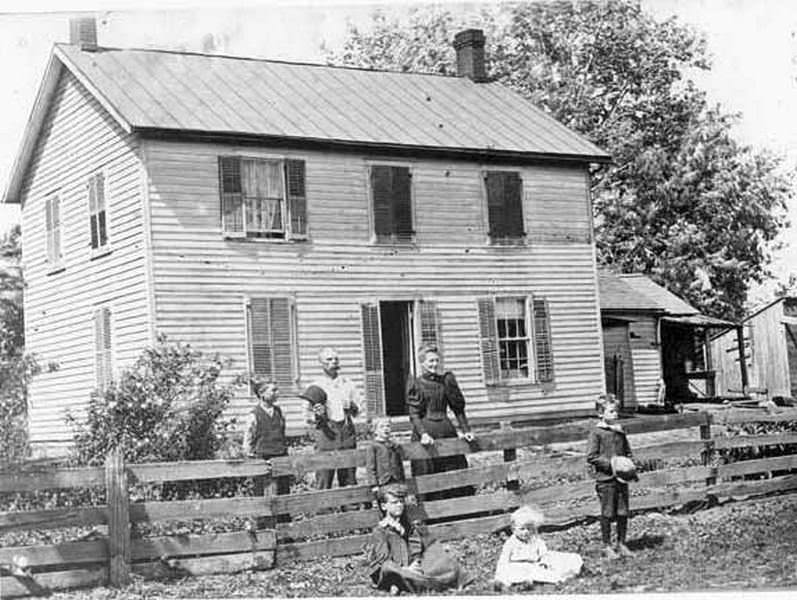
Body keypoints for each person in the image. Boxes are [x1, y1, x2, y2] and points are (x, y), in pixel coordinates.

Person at [363, 483, 471, 595]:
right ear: (384, 506)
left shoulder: (407, 525)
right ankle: (420, 582)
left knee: (442, 559)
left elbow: (417, 547)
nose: (399, 505)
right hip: (394, 570)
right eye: (394, 502)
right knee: (388, 568)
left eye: (401, 502)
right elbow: (382, 560)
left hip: (412, 566)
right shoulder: (380, 531)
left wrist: (416, 561)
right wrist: (404, 569)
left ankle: (404, 583)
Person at [407, 344, 474, 500]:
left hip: (446, 431)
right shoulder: (416, 384)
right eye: (430, 361)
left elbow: (458, 409)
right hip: (426, 433)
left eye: (437, 361)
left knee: (453, 471)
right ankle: (431, 517)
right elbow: (414, 414)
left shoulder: (446, 381)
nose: (434, 364)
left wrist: (466, 430)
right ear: (422, 362)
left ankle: (455, 513)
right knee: (428, 473)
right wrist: (422, 433)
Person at [302, 347, 363, 489]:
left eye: (336, 359)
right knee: (324, 474)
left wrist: (352, 406)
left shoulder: (348, 383)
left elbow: (359, 409)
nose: (333, 362)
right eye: (329, 359)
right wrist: (318, 414)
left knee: (349, 475)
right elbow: (306, 414)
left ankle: (350, 508)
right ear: (321, 363)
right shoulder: (315, 385)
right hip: (326, 432)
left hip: (346, 431)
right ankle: (324, 510)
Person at [586, 393, 636, 559]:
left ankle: (621, 543)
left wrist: (628, 464)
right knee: (607, 512)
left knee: (623, 511)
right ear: (601, 413)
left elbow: (627, 451)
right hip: (606, 479)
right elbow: (591, 456)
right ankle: (606, 545)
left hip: (622, 478)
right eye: (611, 411)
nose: (615, 414)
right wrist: (612, 464)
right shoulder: (597, 432)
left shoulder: (619, 431)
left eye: (616, 411)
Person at [494, 505, 583, 589]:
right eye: (522, 529)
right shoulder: (511, 543)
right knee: (510, 572)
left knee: (540, 571)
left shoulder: (536, 541)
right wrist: (499, 573)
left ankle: (530, 582)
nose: (526, 532)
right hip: (517, 565)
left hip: (533, 565)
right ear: (513, 529)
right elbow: (503, 560)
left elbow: (544, 554)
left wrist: (544, 562)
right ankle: (503, 583)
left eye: (529, 529)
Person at [242, 377, 290, 496]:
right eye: (273, 390)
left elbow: (282, 432)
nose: (277, 393)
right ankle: (263, 515)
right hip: (263, 457)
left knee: (283, 491)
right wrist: (250, 457)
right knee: (263, 490)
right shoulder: (254, 415)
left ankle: (283, 515)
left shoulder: (280, 412)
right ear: (261, 393)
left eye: (277, 390)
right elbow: (248, 438)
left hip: (280, 456)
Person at [365, 417, 406, 491]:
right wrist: (374, 484)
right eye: (382, 427)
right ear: (375, 431)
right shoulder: (373, 446)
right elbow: (370, 467)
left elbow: (400, 463)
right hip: (382, 482)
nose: (386, 428)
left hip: (396, 480)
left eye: (388, 426)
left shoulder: (393, 445)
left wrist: (402, 480)